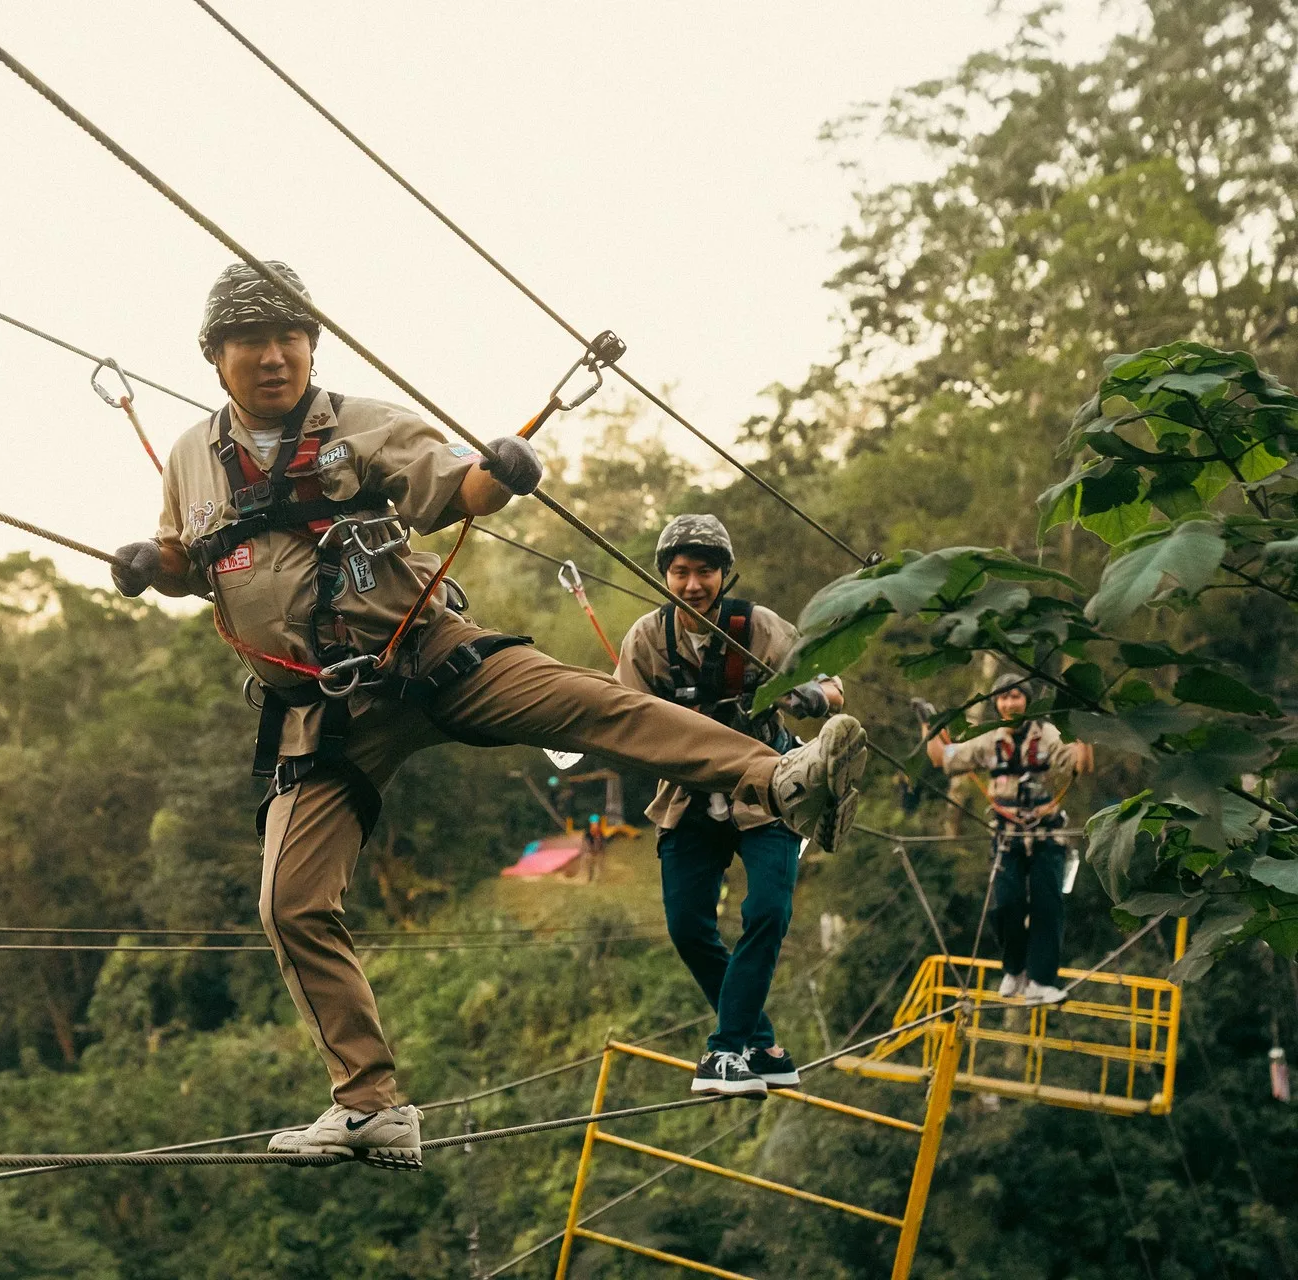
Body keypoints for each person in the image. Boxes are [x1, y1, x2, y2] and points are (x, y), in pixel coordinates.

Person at [110, 262, 869, 1168]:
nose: (274, 358)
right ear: (214, 356)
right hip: (323, 710)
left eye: (290, 338)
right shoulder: (195, 456)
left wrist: (499, 477)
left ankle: (781, 777)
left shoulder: (364, 427)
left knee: (593, 705)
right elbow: (198, 560)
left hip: (425, 655)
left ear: (313, 345)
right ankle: (370, 1107)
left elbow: (451, 486)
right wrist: (154, 565)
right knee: (289, 902)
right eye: (251, 342)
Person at [615, 515, 846, 1096]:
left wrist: (805, 695)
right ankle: (761, 1047)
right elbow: (618, 713)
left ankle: (725, 1052)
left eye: (706, 572)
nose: (693, 585)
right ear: (665, 576)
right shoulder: (647, 639)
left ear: (725, 574)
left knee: (768, 910)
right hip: (688, 795)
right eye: (681, 572)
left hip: (767, 786)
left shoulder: (758, 627)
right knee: (688, 927)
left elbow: (831, 685)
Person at [923, 671, 1092, 1006]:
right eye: (1003, 697)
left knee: (1047, 905)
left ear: (1027, 700)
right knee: (1006, 903)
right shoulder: (989, 739)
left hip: (1046, 834)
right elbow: (942, 758)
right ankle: (1014, 970)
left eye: (1016, 696)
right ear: (996, 703)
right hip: (1006, 836)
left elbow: (1081, 765)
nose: (1010, 702)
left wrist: (1085, 730)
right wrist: (929, 725)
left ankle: (1041, 981)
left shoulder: (1048, 736)